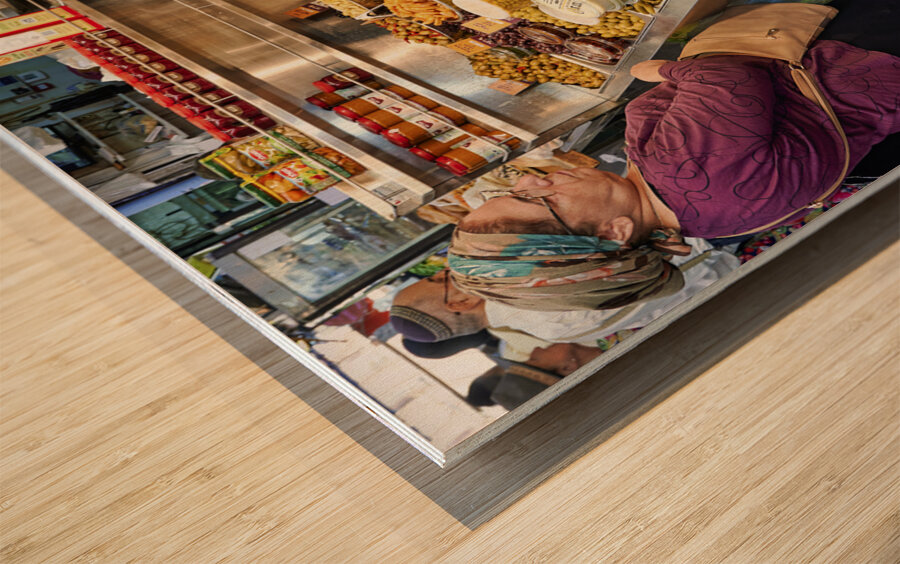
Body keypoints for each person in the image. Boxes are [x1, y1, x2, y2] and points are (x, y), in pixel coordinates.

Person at [448, 37, 899, 310]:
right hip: (861, 56)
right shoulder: (683, 173)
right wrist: (654, 70)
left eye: (516, 188)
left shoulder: (700, 218)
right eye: (535, 199)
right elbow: (726, 78)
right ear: (614, 232)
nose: (529, 179)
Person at [390, 237, 738, 357]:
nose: (445, 271)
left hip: (716, 263)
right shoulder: (522, 289)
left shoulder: (543, 327)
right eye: (440, 279)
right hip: (709, 242)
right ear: (461, 302)